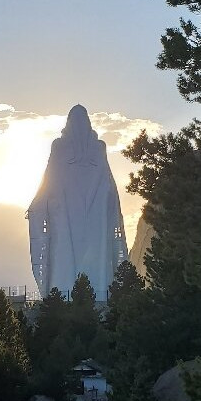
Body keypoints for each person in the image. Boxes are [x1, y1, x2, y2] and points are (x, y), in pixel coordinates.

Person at [27, 105, 127, 297]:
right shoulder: (98, 148)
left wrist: (38, 204)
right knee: (94, 256)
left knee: (65, 257)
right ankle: (95, 294)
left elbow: (49, 182)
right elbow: (109, 186)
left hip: (66, 217)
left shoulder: (61, 146)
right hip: (94, 217)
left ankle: (66, 295)